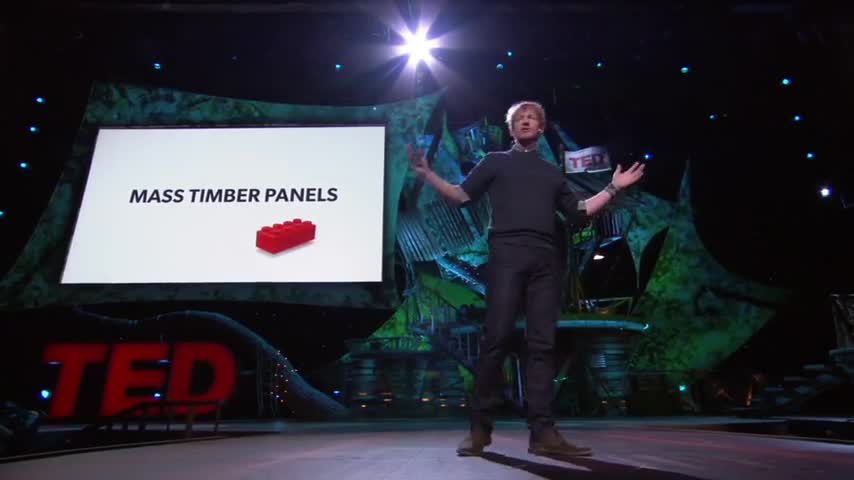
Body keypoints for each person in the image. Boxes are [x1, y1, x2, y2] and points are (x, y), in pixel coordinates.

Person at [408, 100, 645, 459]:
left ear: (540, 127)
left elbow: (579, 213)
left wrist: (613, 188)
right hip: (506, 255)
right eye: (519, 118)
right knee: (496, 339)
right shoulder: (495, 162)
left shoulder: (551, 173)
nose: (526, 121)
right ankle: (479, 430)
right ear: (511, 128)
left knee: (542, 345)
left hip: (546, 262)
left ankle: (543, 433)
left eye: (532, 117)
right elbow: (460, 195)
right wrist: (427, 174)